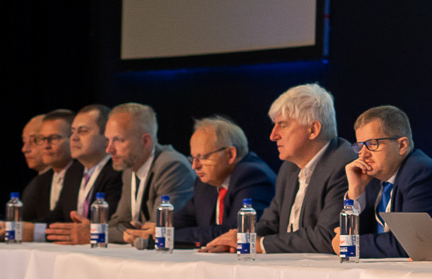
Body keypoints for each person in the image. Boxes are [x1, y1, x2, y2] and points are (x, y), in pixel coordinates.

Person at [203, 84, 355, 255]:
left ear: (313, 130)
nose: (273, 135)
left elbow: (329, 237)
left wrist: (259, 244)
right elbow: (270, 223)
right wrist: (241, 239)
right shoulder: (289, 168)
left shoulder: (344, 166)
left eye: (283, 125)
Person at [332, 106, 432, 258]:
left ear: (402, 145)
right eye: (359, 146)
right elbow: (356, 234)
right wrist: (356, 191)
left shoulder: (420, 172)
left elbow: (410, 244)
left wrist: (350, 244)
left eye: (372, 144)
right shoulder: (373, 178)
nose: (363, 155)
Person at [173, 116, 275, 248]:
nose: (195, 166)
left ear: (230, 154)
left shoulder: (252, 175)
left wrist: (169, 235)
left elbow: (235, 232)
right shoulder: (206, 181)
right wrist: (159, 228)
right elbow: (183, 220)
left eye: (202, 157)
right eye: (193, 158)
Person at [103, 104, 196, 241]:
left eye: (118, 140)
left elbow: (158, 229)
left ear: (145, 141)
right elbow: (119, 222)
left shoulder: (172, 167)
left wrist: (95, 232)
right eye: (108, 140)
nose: (109, 149)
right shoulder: (129, 169)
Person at [49, 104, 124, 245]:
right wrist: (29, 229)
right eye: (72, 132)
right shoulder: (73, 171)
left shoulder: (118, 172)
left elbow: (113, 222)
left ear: (106, 138)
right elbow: (58, 216)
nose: (74, 138)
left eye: (83, 131)